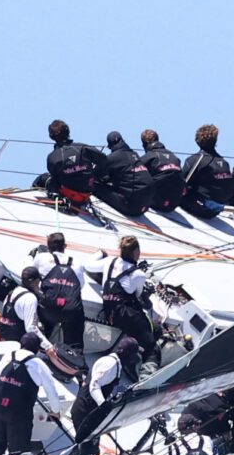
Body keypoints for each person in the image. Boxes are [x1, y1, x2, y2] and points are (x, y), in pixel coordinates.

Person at [94, 233, 157, 368]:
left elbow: (89, 266)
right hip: (123, 314)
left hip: (108, 309)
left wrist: (99, 253)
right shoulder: (138, 274)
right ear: (136, 252)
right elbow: (138, 293)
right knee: (150, 336)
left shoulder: (110, 261)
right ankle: (148, 367)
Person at [31, 232, 88, 358]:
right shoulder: (78, 263)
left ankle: (39, 342)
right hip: (70, 311)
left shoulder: (41, 257)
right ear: (65, 246)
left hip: (48, 309)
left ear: (48, 247)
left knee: (45, 310)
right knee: (75, 337)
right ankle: (75, 362)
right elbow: (80, 286)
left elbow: (30, 275)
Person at [41, 119, 107, 211]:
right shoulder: (83, 148)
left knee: (43, 178)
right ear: (68, 132)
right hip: (87, 192)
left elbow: (54, 177)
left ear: (51, 136)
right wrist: (94, 175)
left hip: (70, 195)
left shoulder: (52, 157)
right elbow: (104, 160)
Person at [97, 131, 154, 217]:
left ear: (110, 146)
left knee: (94, 186)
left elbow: (94, 175)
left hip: (132, 206)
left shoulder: (112, 158)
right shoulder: (135, 154)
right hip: (146, 205)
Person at [180, 124, 233, 214]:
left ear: (197, 140)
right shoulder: (224, 163)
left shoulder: (195, 160)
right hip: (217, 210)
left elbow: (181, 184)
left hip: (202, 207)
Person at [138, 129, 186, 213]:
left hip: (157, 201)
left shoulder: (148, 157)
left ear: (144, 144)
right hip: (173, 204)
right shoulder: (174, 157)